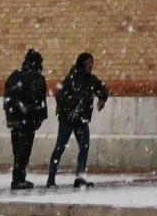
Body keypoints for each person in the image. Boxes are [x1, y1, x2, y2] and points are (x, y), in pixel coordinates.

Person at [45, 50, 109, 188]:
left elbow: (102, 88)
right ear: (82, 63)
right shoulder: (71, 78)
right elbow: (60, 96)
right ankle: (51, 178)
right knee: (60, 147)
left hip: (81, 120)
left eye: (92, 63)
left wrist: (102, 98)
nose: (91, 65)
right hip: (68, 120)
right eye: (88, 62)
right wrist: (70, 109)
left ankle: (80, 177)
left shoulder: (91, 79)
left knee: (84, 147)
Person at [2, 49, 49, 191]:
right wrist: (39, 117)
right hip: (28, 121)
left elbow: (8, 98)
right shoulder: (36, 78)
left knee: (17, 149)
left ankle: (18, 177)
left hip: (16, 120)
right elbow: (39, 100)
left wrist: (11, 116)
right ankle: (19, 179)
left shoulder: (15, 76)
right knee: (24, 150)